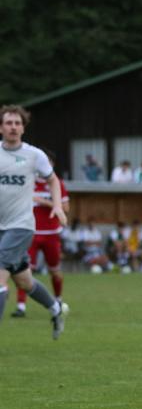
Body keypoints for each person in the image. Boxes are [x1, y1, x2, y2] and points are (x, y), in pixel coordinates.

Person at [0, 105, 69, 339]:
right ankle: (55, 308)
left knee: (0, 277)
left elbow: (53, 180)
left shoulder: (34, 155)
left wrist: (57, 205)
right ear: (1, 127)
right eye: (8, 123)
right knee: (24, 281)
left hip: (20, 226)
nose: (13, 127)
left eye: (17, 123)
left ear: (23, 128)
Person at [12, 151, 70, 318]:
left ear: (52, 165)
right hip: (30, 233)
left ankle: (58, 300)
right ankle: (21, 306)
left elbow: (65, 209)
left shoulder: (57, 183)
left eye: (47, 162)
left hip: (51, 234)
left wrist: (45, 202)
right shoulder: (27, 181)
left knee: (55, 271)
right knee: (24, 270)